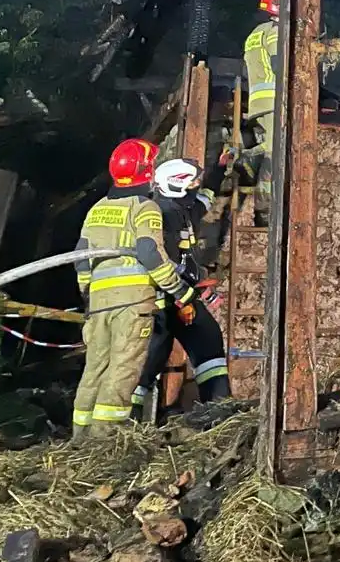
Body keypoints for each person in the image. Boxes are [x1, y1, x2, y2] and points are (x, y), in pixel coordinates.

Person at [72, 139, 198, 439]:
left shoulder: (98, 209)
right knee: (123, 370)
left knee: (94, 370)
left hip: (98, 304)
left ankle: (79, 438)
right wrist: (182, 293)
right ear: (146, 172)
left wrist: (89, 296)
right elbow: (150, 254)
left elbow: (81, 258)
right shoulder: (145, 207)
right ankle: (105, 440)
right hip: (132, 304)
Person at [132, 157, 233, 414]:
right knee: (151, 356)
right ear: (178, 186)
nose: (197, 186)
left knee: (208, 340)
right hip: (160, 302)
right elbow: (167, 262)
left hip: (183, 295)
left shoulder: (184, 208)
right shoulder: (162, 214)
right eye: (193, 182)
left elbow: (206, 198)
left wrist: (219, 168)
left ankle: (219, 412)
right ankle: (125, 422)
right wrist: (193, 289)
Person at [242, 0, 281, 224]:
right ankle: (265, 212)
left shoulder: (255, 33)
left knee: (270, 147)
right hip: (275, 99)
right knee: (274, 154)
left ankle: (244, 155)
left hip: (259, 101)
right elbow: (280, 65)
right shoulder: (276, 31)